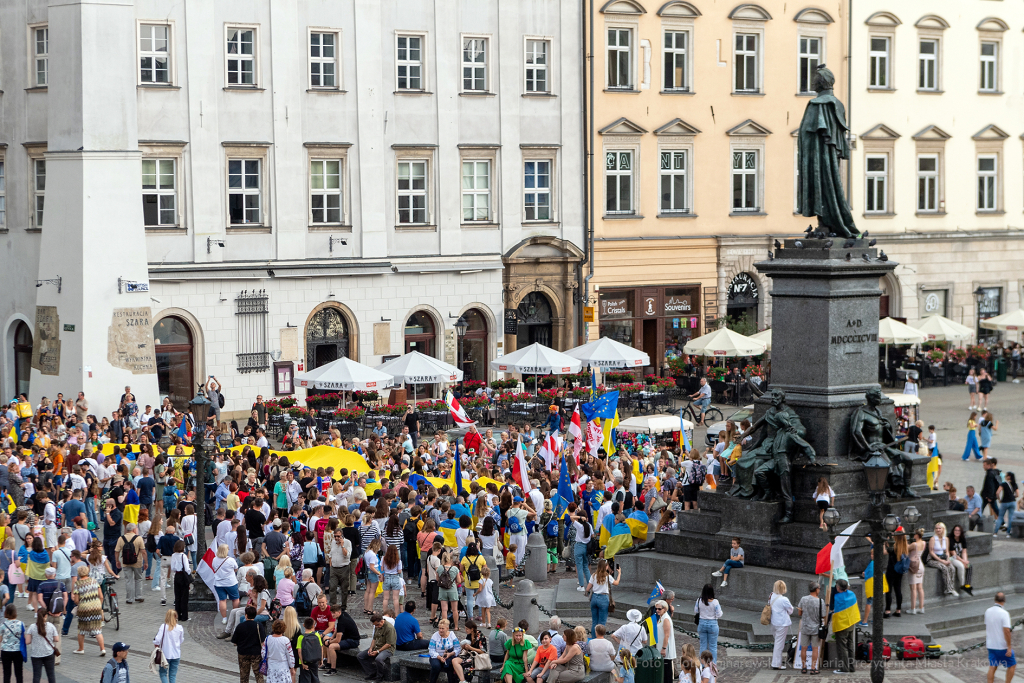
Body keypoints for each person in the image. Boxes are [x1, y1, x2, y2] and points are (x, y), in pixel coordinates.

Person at [69, 564, 104, 656]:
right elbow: (101, 596)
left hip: (84, 608)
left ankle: (81, 649)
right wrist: (98, 605)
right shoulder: (94, 581)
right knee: (97, 629)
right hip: (96, 607)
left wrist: (79, 603)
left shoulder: (78, 584)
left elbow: (76, 600)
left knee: (81, 629)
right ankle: (102, 649)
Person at [985, 592, 1016, 683]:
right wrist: (1009, 647)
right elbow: (1006, 631)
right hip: (1002, 646)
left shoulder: (988, 611)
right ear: (1004, 601)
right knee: (1012, 665)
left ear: (995, 600)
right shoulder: (1004, 613)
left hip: (991, 645)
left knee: (993, 666)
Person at [114, 523, 147, 604]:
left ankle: (129, 599)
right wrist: (146, 562)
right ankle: (138, 596)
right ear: (134, 529)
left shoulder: (121, 538)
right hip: (137, 562)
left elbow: (116, 551)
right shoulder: (139, 538)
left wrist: (117, 561)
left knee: (128, 580)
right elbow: (143, 551)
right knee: (138, 579)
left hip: (125, 562)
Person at [24, 606, 58, 683]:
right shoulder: (51, 626)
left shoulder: (32, 627)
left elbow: (27, 642)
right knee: (51, 674)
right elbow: (56, 639)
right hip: (49, 653)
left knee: (37, 675)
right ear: (46, 616)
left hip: (36, 654)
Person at [795, 583, 823, 674]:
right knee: (815, 648)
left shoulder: (803, 599)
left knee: (804, 648)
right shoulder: (820, 601)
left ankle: (803, 667)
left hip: (805, 627)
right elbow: (823, 615)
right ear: (816, 589)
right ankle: (813, 668)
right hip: (816, 628)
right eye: (819, 588)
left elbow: (799, 613)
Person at [358, 612, 395, 681]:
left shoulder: (389, 628)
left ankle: (380, 676)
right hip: (377, 647)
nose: (376, 627)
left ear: (381, 621)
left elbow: (388, 644)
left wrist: (377, 651)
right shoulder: (377, 625)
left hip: (387, 649)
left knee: (379, 659)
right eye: (375, 625)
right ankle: (372, 672)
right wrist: (371, 648)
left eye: (377, 625)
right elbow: (374, 639)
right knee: (360, 656)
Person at [586, 560, 620, 635]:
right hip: (603, 598)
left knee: (594, 621)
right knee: (602, 622)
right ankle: (600, 639)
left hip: (594, 598)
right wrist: (619, 574)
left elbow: (587, 589)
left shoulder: (594, 575)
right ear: (606, 567)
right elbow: (616, 583)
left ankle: (594, 638)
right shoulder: (607, 576)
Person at [231, 606, 265, 683]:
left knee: (244, 675)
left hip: (243, 653)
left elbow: (234, 641)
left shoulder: (240, 626)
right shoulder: (258, 625)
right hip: (256, 653)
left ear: (246, 615)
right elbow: (262, 641)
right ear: (255, 615)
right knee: (258, 675)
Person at [925, 522, 958, 597]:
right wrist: (941, 561)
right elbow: (931, 552)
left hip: (943, 557)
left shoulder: (946, 539)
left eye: (939, 528)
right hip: (933, 559)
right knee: (944, 568)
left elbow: (946, 551)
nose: (938, 530)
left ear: (943, 529)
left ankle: (951, 588)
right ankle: (948, 589)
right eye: (936, 528)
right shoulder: (933, 539)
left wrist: (948, 559)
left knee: (952, 568)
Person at [831, 580, 856, 675]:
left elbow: (837, 610)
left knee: (842, 647)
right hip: (851, 622)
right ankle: (852, 667)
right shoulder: (852, 594)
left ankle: (844, 668)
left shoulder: (837, 597)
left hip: (842, 625)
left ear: (838, 588)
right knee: (850, 645)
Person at [153, 609, 184, 683]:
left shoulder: (163, 627)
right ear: (176, 616)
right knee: (172, 675)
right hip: (176, 654)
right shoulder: (180, 628)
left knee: (163, 673)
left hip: (165, 655)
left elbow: (157, 639)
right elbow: (181, 640)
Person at [428, 619, 463, 683]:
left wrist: (451, 654)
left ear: (447, 628)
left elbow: (458, 648)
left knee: (451, 666)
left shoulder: (452, 635)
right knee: (436, 666)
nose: (440, 630)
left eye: (442, 628)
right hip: (436, 656)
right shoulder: (435, 636)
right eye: (439, 628)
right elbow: (431, 650)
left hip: (449, 656)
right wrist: (439, 657)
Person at [694, 584, 722, 664]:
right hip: (712, 623)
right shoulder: (715, 602)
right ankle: (713, 665)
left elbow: (696, 611)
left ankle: (703, 665)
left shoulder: (699, 600)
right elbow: (719, 614)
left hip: (702, 623)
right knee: (713, 646)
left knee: (703, 645)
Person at [768, 580, 793, 670]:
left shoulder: (771, 595)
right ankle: (776, 663)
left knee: (777, 642)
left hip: (773, 622)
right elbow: (790, 610)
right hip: (782, 623)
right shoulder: (784, 599)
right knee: (779, 644)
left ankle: (777, 660)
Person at [263, 619, 297, 683]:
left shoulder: (268, 639)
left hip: (271, 667)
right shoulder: (285, 640)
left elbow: (263, 653)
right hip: (283, 667)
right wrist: (292, 668)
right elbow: (290, 655)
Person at [884, 531, 908, 618]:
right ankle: (898, 610)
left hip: (891, 570)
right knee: (898, 590)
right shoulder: (905, 547)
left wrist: (885, 543)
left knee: (888, 590)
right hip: (899, 571)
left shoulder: (893, 547)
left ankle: (887, 610)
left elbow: (884, 552)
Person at [1, 604, 24, 683]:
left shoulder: (3, 625)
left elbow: (0, 639)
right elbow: (23, 637)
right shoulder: (21, 624)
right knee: (19, 673)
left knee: (7, 673)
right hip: (18, 650)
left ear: (6, 613)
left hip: (5, 651)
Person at [297, 617, 324, 683]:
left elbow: (299, 651)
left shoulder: (301, 637)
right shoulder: (317, 635)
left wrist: (302, 663)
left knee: (305, 679)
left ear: (303, 625)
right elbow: (321, 647)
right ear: (313, 626)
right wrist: (321, 659)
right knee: (315, 678)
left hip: (304, 661)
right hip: (315, 660)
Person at [950, 525, 974, 595]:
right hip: (951, 557)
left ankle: (967, 584)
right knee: (961, 566)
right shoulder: (950, 539)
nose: (957, 532)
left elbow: (964, 551)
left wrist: (965, 561)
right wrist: (963, 562)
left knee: (970, 566)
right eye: (955, 530)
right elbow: (953, 554)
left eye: (958, 530)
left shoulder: (962, 539)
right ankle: (962, 584)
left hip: (960, 558)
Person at [907, 528, 926, 614]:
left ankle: (913, 608)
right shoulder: (923, 543)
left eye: (914, 534)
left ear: (917, 535)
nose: (913, 535)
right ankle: (921, 607)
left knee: (913, 588)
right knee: (920, 587)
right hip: (920, 564)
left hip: (913, 565)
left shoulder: (914, 544)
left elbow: (906, 549)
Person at [996, 472, 1019, 538]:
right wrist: (1013, 497)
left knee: (1000, 517)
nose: (1005, 477)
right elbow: (1017, 494)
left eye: (1006, 476)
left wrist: (999, 499)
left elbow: (997, 492)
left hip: (1004, 502)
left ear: (1009, 477)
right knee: (1010, 517)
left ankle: (995, 532)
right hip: (1012, 502)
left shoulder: (1003, 484)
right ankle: (1008, 533)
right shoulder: (1015, 484)